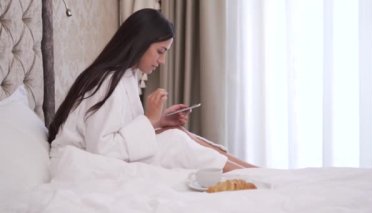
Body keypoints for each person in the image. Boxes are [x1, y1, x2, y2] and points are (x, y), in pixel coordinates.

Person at [48, 8, 256, 172]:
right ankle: (251, 173)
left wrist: (159, 120)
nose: (162, 61)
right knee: (175, 142)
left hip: (98, 158)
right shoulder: (106, 82)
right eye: (160, 51)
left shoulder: (126, 77)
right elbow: (102, 150)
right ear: (140, 43)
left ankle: (252, 170)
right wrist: (149, 120)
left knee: (175, 133)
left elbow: (123, 130)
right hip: (82, 166)